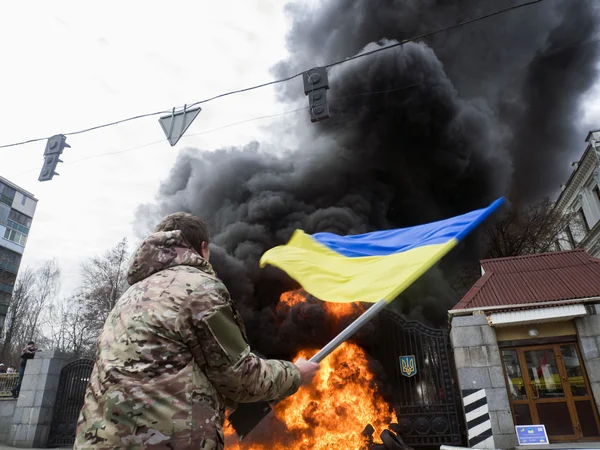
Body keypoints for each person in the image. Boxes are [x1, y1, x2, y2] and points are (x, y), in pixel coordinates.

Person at [75, 212, 320, 449]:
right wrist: (294, 373)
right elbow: (240, 377)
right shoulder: (198, 288)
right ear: (202, 247)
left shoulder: (130, 296)